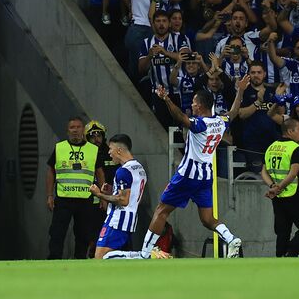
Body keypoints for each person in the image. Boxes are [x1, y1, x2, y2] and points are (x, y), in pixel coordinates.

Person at [104, 79, 249, 259]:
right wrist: (240, 91)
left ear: (200, 105)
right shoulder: (220, 122)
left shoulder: (201, 124)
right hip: (206, 176)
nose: (192, 105)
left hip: (187, 175)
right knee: (207, 219)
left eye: (194, 102)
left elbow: (180, 117)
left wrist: (166, 99)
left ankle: (145, 253)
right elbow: (233, 112)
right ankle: (231, 239)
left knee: (161, 211)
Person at [45, 116, 105, 259]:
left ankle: (80, 259)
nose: (75, 130)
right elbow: (51, 171)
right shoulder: (60, 147)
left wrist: (103, 197)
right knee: (57, 232)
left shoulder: (93, 149)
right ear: (67, 131)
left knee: (83, 234)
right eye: (72, 127)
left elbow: (100, 173)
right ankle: (54, 259)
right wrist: (49, 195)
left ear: (83, 130)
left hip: (85, 198)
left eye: (78, 127)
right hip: (63, 198)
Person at [260, 119, 299, 257]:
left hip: (277, 197)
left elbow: (263, 172)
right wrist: (279, 187)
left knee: (282, 231)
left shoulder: (271, 147)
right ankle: (290, 253)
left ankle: (280, 258)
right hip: (294, 194)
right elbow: (293, 173)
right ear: (290, 131)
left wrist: (273, 187)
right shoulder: (295, 148)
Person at [89, 133, 146, 258]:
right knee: (113, 258)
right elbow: (133, 196)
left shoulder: (123, 171)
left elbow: (123, 200)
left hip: (117, 220)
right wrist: (112, 191)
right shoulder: (139, 168)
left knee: (100, 256)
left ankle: (144, 255)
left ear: (119, 150)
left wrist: (99, 194)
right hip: (129, 219)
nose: (109, 152)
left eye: (110, 149)